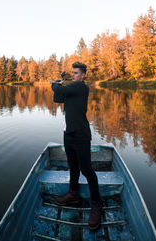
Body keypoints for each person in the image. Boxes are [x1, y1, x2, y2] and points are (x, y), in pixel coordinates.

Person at [51, 62, 102, 230]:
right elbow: (58, 98)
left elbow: (61, 91)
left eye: (75, 73)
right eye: (72, 73)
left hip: (81, 135)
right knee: (72, 165)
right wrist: (57, 87)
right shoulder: (71, 90)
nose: (72, 75)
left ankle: (96, 204)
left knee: (86, 169)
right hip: (69, 134)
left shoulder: (80, 87)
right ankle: (73, 194)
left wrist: (56, 85)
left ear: (82, 75)